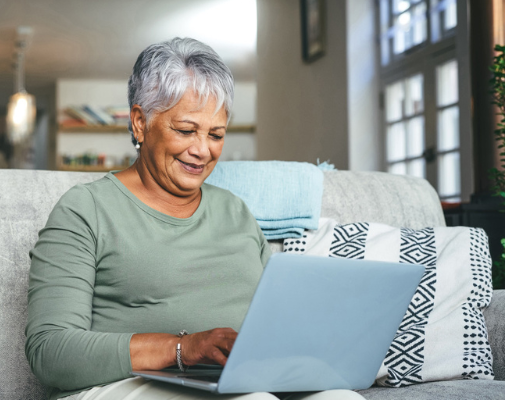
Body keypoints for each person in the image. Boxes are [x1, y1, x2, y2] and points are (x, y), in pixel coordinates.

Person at [26, 37, 365, 400]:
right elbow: (51, 351)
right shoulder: (86, 209)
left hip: (236, 379)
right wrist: (182, 348)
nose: (202, 150)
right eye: (186, 130)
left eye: (216, 134)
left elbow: (276, 319)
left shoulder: (235, 211)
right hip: (127, 384)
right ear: (140, 123)